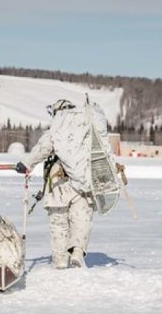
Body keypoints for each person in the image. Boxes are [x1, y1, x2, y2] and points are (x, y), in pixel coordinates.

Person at [16, 98, 118, 269]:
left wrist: (26, 164)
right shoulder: (88, 125)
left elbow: (44, 148)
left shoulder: (58, 126)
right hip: (85, 182)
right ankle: (77, 251)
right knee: (81, 219)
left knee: (59, 221)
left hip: (59, 181)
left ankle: (61, 259)